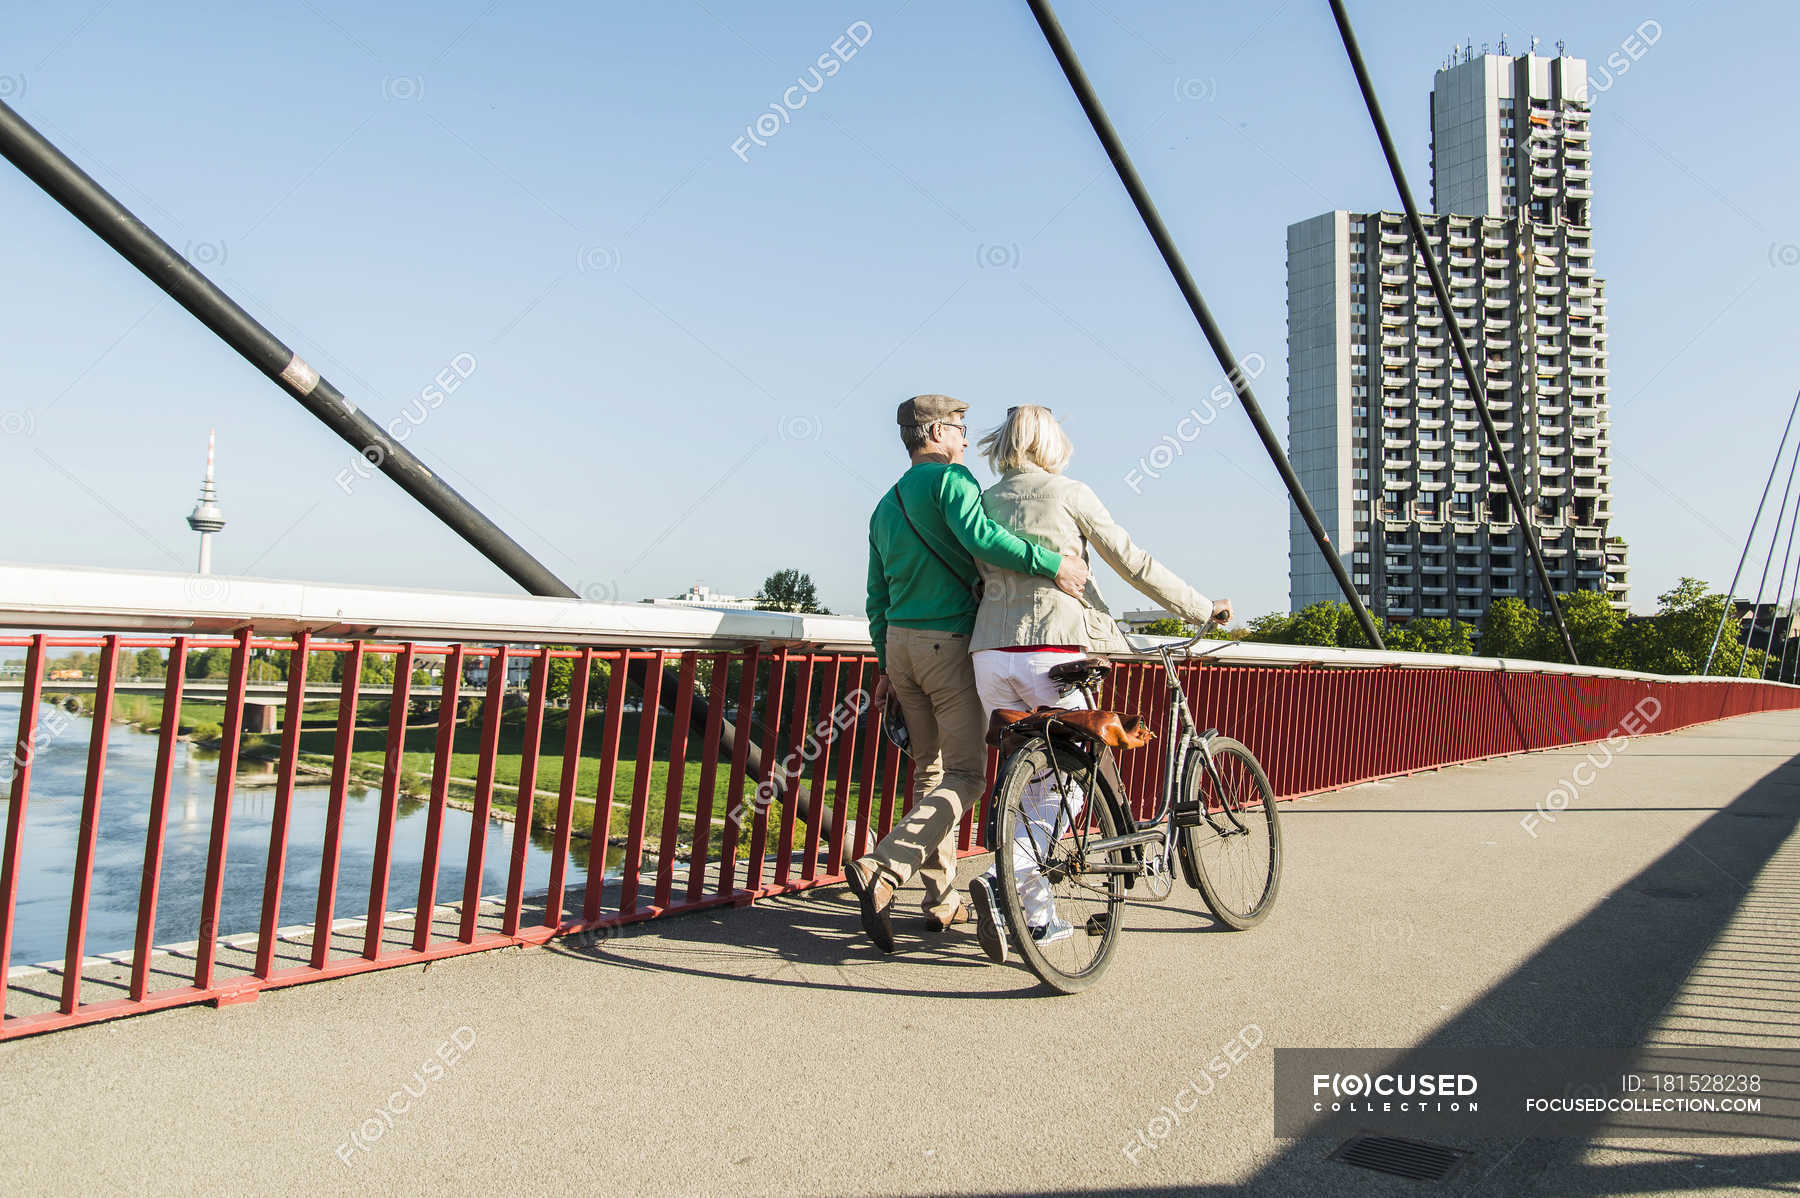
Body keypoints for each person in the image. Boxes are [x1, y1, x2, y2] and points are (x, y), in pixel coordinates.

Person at [963, 404, 1231, 963]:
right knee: (1073, 786)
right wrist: (1202, 608)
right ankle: (999, 881)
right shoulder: (1069, 492)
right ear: (1052, 442)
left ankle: (1036, 920)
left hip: (989, 654)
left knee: (1027, 784)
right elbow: (1132, 562)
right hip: (1052, 653)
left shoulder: (984, 501)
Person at [845, 394, 1091, 953]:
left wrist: (886, 662)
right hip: (947, 643)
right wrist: (1054, 563)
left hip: (902, 648)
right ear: (935, 431)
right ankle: (883, 868)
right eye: (958, 426)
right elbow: (984, 540)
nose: (964, 436)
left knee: (930, 773)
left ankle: (940, 901)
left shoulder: (885, 504)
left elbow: (875, 596)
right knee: (968, 776)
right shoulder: (952, 482)